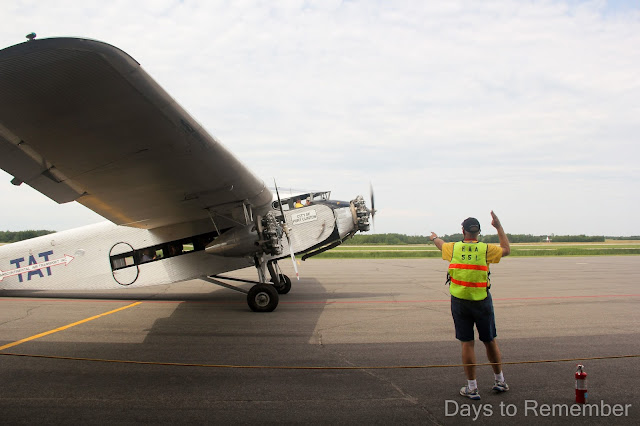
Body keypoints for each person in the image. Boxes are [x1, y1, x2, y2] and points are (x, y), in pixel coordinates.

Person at [430, 211, 510, 400]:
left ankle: (472, 388)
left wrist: (434, 238)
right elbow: (506, 249)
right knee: (489, 340)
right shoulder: (485, 249)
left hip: (460, 301)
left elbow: (441, 245)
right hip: (482, 300)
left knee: (467, 343)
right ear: (478, 232)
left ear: (463, 231)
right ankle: (499, 381)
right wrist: (498, 226)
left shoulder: (454, 248)